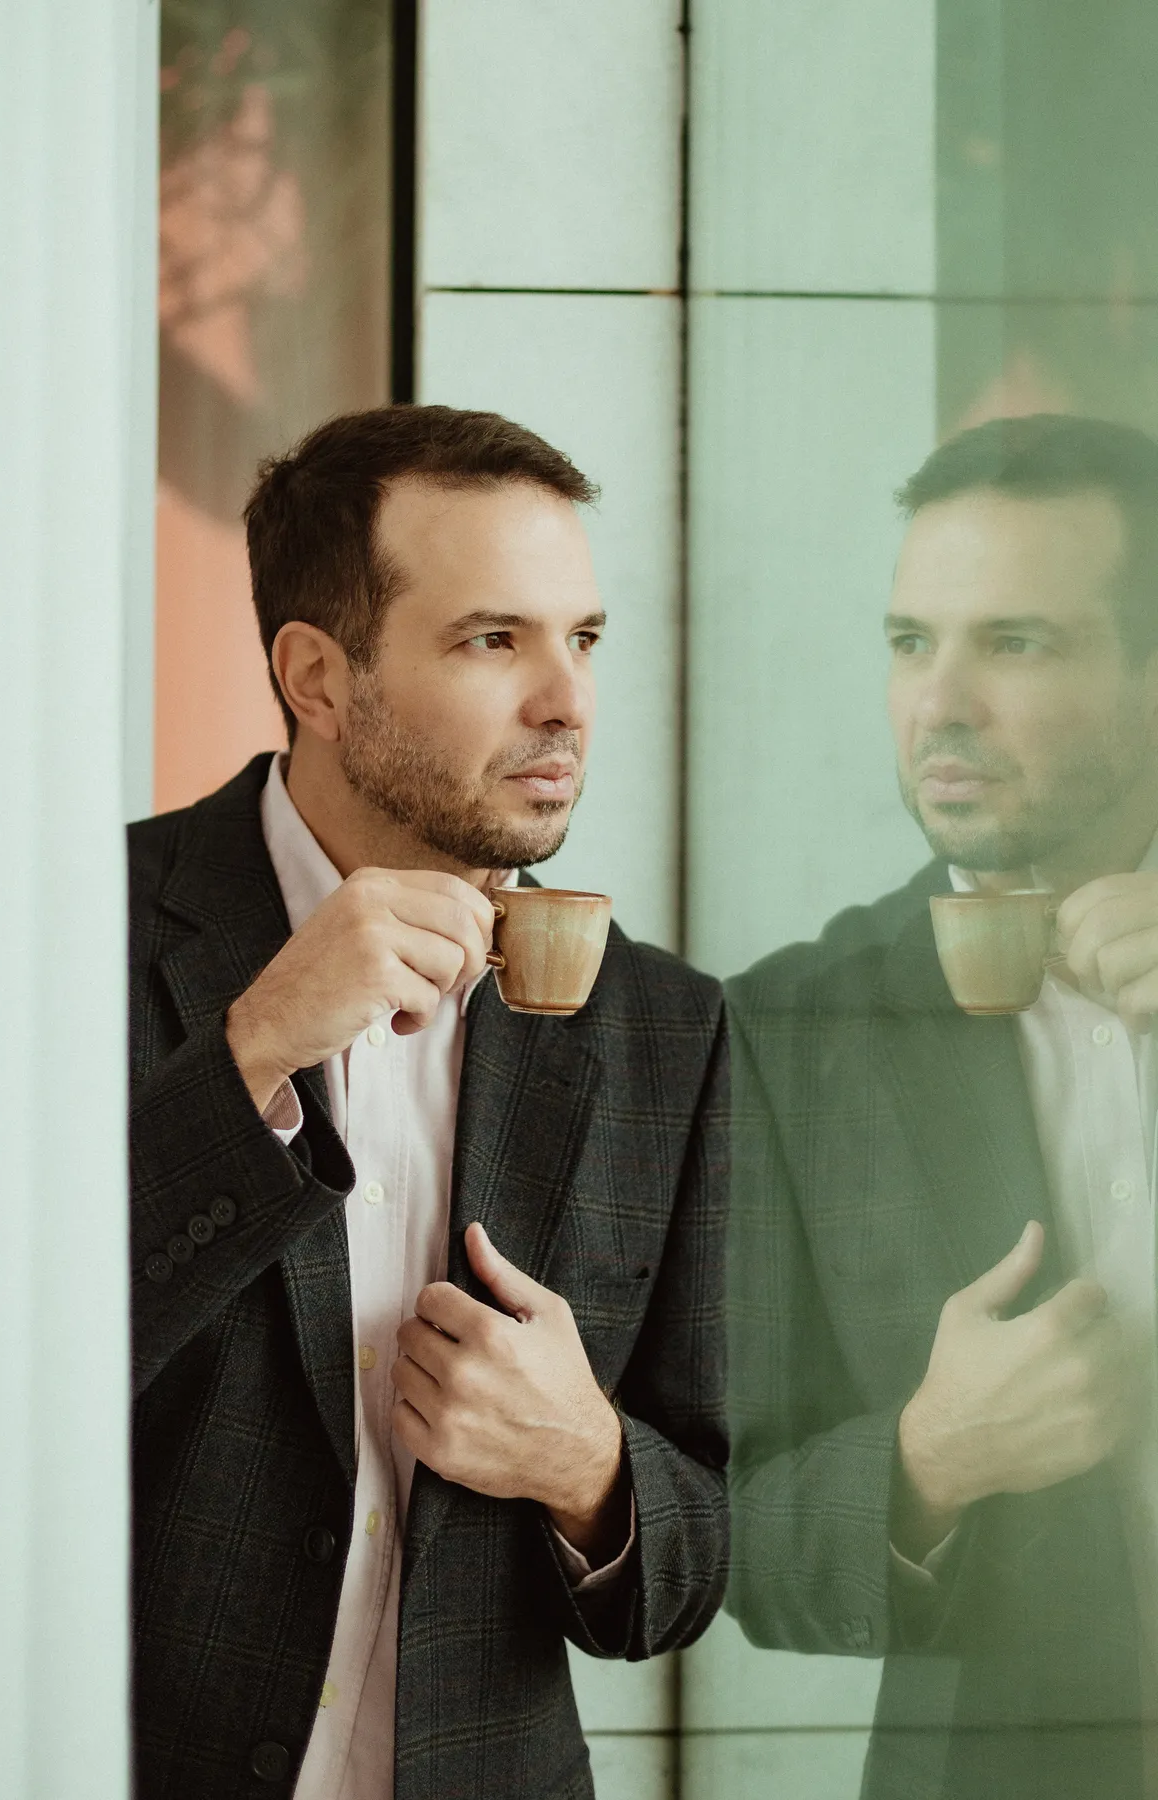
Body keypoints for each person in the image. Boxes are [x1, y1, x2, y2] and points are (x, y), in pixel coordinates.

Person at [129, 405, 729, 1800]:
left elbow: (694, 1566)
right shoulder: (54, 933)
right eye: (491, 640)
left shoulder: (666, 1027)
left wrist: (590, 1469)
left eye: (581, 639)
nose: (567, 703)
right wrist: (255, 1046)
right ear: (317, 677)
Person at [726, 413, 1158, 1799]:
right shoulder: (791, 1029)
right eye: (913, 642)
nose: (941, 703)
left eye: (1014, 643)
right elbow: (724, 1541)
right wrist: (926, 1463)